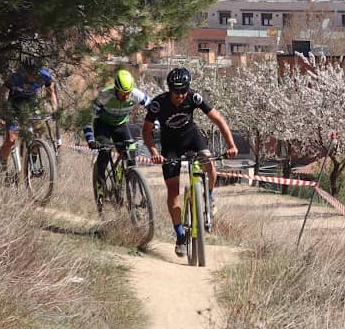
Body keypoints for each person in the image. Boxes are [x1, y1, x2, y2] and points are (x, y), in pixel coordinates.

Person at [143, 67, 237, 257]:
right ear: (169, 89)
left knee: (209, 163)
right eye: (176, 91)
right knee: (173, 191)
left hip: (192, 138)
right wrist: (154, 152)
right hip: (170, 146)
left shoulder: (194, 98)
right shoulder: (158, 104)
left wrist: (231, 145)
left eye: (183, 90)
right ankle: (180, 236)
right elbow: (146, 131)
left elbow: (219, 120)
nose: (180, 95)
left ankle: (209, 196)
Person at [86, 68, 151, 191]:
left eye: (128, 93)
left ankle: (130, 186)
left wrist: (155, 123)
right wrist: (90, 139)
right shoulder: (105, 95)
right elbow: (87, 116)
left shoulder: (135, 94)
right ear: (116, 89)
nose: (126, 96)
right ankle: (100, 182)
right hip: (103, 125)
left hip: (120, 124)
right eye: (122, 94)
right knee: (105, 151)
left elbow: (152, 106)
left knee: (131, 152)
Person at [0, 56, 58, 177]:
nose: (33, 77)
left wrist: (54, 109)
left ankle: (31, 166)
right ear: (24, 70)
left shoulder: (44, 75)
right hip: (14, 104)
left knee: (39, 130)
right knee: (10, 140)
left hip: (31, 103)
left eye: (35, 74)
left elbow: (51, 92)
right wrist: (2, 109)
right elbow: (2, 92)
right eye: (30, 73)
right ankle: (2, 163)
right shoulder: (16, 76)